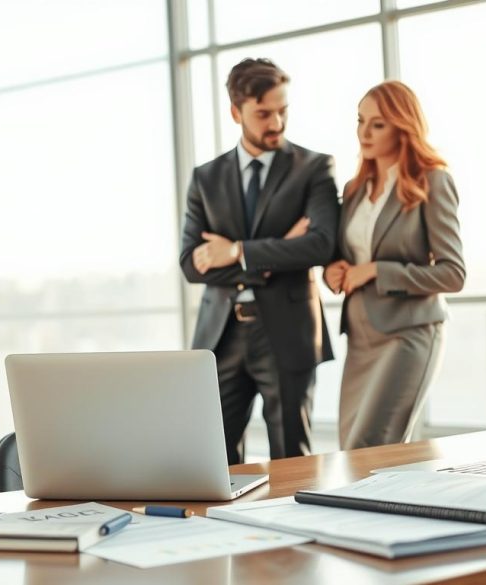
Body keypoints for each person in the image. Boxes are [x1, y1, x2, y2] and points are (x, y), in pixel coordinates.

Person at [179, 58, 339, 465]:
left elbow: (320, 246)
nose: (277, 123)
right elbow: (192, 264)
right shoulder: (205, 179)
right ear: (236, 113)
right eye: (264, 113)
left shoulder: (315, 168)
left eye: (283, 110)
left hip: (287, 335)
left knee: (292, 461)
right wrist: (278, 250)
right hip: (221, 336)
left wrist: (237, 251)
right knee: (216, 462)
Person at [324, 80, 465, 450]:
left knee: (371, 444)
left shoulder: (433, 182)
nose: (364, 132)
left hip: (409, 332)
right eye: (360, 120)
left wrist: (376, 270)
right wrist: (333, 271)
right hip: (360, 336)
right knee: (351, 452)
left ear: (403, 126)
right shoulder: (355, 189)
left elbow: (453, 274)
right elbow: (347, 255)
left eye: (378, 124)